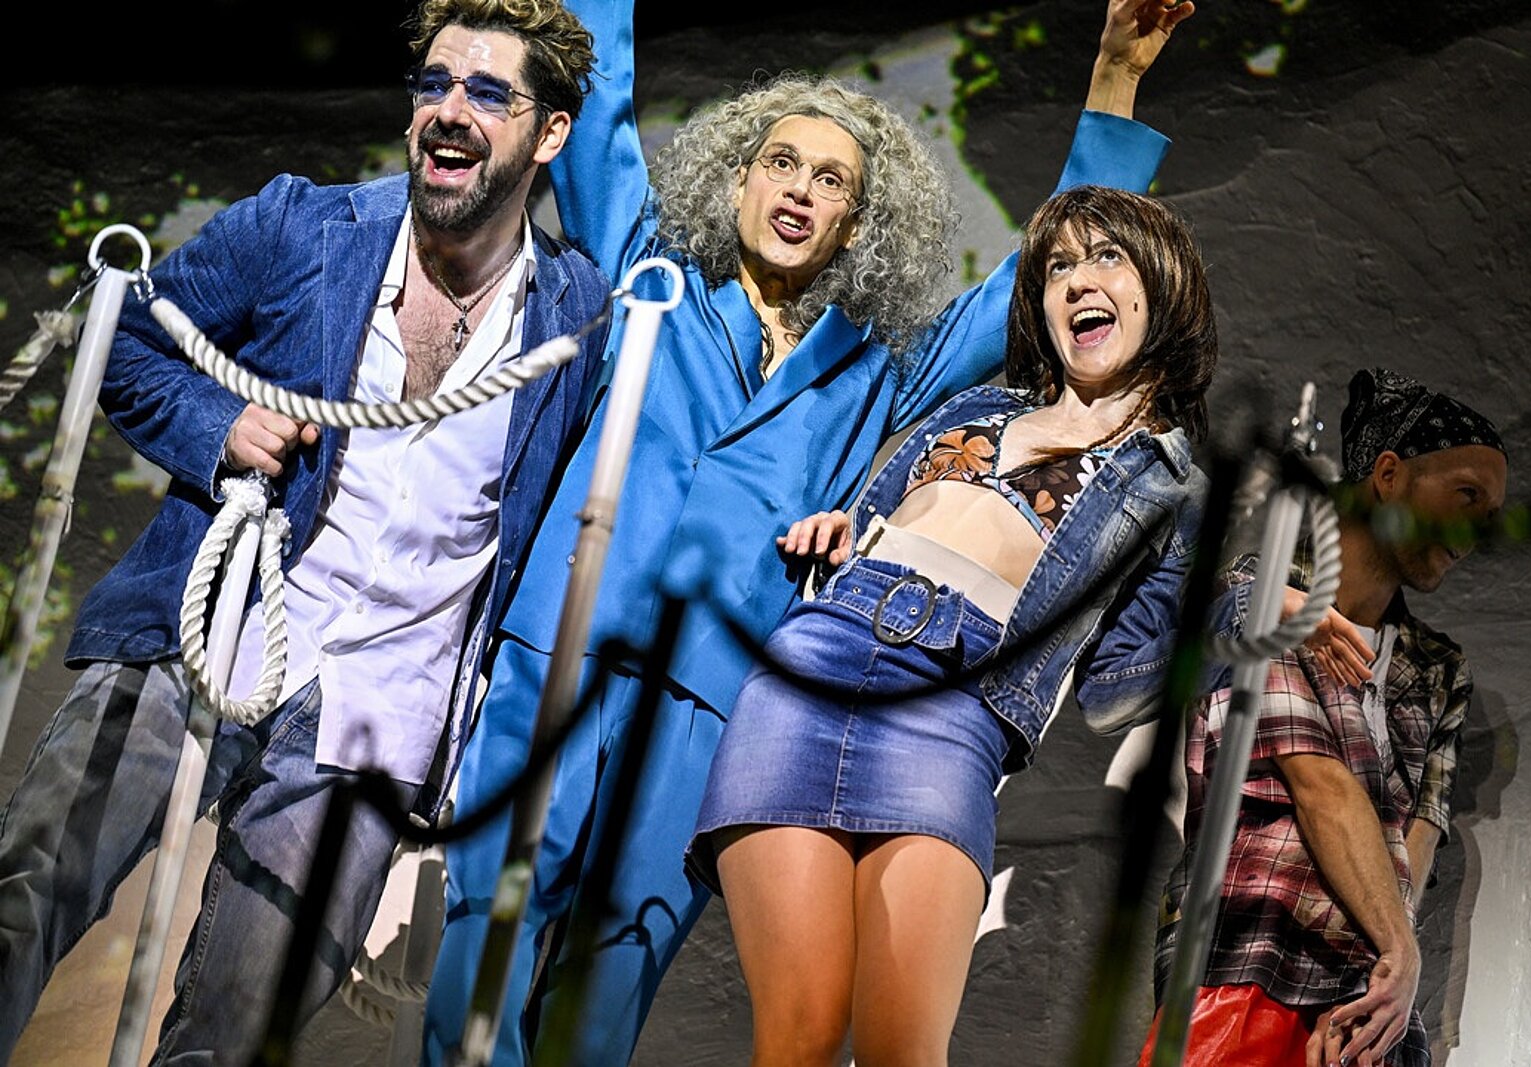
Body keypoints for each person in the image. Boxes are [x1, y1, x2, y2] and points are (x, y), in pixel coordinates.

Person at [424, 0, 1193, 1063]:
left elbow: (1034, 274)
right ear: (736, 179)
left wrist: (1114, 79)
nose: (799, 189)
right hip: (566, 636)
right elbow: (599, 108)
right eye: (781, 162)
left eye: (833, 181)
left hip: (715, 691)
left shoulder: (880, 365)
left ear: (857, 226)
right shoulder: (650, 267)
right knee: (489, 931)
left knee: (612, 968)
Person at [0, 1, 606, 1061]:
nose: (448, 111)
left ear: (549, 132)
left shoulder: (577, 314)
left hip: (381, 711)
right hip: (206, 633)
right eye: (433, 84)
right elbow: (129, 338)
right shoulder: (300, 226)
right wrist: (218, 426)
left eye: (486, 92)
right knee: (24, 899)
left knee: (241, 1025)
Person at [685, 179, 1217, 1066]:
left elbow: (1113, 689)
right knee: (799, 1035)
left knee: (902, 1049)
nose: (1078, 281)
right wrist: (840, 533)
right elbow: (874, 519)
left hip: (951, 708)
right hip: (811, 671)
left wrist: (1236, 621)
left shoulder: (1174, 485)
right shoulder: (977, 408)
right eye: (1058, 267)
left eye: (1106, 257)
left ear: (1164, 284)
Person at [1140, 367, 1508, 1067]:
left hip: (1369, 1003)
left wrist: (1388, 974)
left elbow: (1421, 834)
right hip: (1249, 961)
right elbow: (1318, 783)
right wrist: (1400, 950)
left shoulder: (1440, 668)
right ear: (1390, 474)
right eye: (1467, 495)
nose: (1474, 532)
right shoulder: (1260, 595)